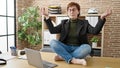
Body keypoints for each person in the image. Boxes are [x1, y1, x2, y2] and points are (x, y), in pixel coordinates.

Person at [41, 2, 112, 66]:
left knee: (87, 48)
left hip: (79, 48)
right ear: (68, 12)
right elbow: (53, 30)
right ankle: (73, 60)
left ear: (78, 11)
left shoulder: (84, 23)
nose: (72, 12)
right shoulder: (63, 23)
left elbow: (95, 31)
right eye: (70, 10)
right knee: (53, 42)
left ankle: (63, 57)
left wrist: (102, 18)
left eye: (74, 9)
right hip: (66, 47)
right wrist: (47, 16)